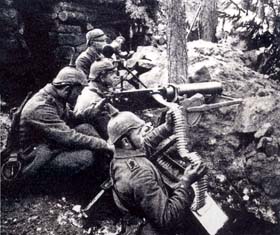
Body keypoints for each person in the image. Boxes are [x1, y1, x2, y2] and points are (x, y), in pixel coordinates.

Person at [108, 110, 207, 235]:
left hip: (138, 211)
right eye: (140, 133)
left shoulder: (122, 155)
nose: (145, 135)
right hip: (150, 226)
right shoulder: (140, 176)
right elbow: (166, 219)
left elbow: (146, 145)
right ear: (126, 142)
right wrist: (185, 183)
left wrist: (167, 127)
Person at [18, 64, 114, 179]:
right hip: (37, 156)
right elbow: (69, 137)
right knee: (86, 157)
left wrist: (93, 111)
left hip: (51, 145)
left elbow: (72, 119)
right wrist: (103, 145)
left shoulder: (56, 98)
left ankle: (105, 167)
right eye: (79, 91)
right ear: (67, 88)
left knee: (85, 127)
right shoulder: (41, 107)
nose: (79, 94)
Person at [74, 58, 119, 139]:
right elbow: (110, 132)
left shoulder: (92, 89)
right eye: (112, 74)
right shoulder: (94, 98)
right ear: (102, 77)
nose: (115, 77)